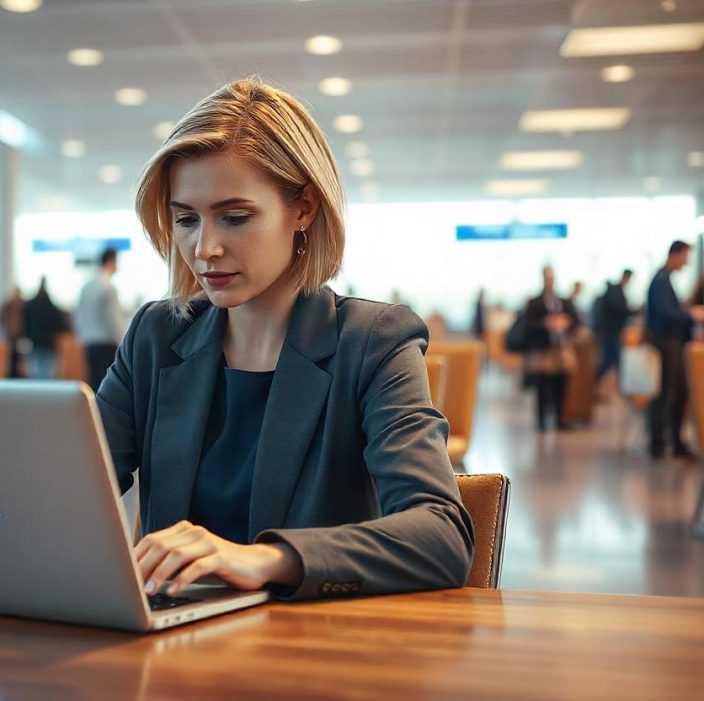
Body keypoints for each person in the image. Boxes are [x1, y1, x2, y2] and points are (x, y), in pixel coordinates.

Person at [96, 78, 473, 601]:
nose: (204, 249)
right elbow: (72, 491)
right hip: (171, 650)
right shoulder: (155, 336)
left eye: (234, 217)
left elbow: (441, 536)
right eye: (186, 220)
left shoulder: (372, 343)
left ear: (304, 209)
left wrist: (266, 559)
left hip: (308, 650)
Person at [646, 241, 704, 459]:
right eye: (686, 257)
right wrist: (691, 315)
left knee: (675, 392)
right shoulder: (661, 280)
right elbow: (665, 314)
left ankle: (673, 441)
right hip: (666, 342)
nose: (687, 262)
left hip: (672, 342)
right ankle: (659, 444)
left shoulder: (664, 279)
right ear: (676, 255)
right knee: (665, 392)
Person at [523, 266, 581, 431]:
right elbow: (528, 325)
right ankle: (541, 420)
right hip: (544, 350)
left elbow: (576, 321)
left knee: (561, 385)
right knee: (543, 386)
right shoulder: (535, 302)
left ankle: (560, 418)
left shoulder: (563, 301)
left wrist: (566, 323)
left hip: (562, 348)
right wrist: (546, 323)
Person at [74, 248, 125, 391]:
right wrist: (122, 342)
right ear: (111, 261)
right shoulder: (108, 288)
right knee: (107, 388)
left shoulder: (86, 286)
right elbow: (113, 320)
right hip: (106, 344)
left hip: (89, 343)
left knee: (94, 384)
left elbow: (79, 315)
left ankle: (92, 413)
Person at [594, 269, 636, 386]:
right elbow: (618, 309)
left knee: (613, 359)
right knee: (611, 359)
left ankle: (598, 384)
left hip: (612, 331)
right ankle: (594, 383)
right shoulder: (615, 291)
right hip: (610, 331)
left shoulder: (616, 291)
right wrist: (633, 311)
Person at [25, 278, 68, 380]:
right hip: (48, 342)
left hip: (36, 341)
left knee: (36, 371)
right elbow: (59, 323)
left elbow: (26, 323)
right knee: (47, 372)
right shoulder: (50, 306)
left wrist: (28, 335)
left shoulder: (31, 305)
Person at [0, 286, 26, 378]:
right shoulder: (7, 305)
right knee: (9, 357)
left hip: (19, 336)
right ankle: (10, 375)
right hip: (9, 335)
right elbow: (1, 319)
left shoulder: (23, 306)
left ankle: (18, 375)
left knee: (19, 358)